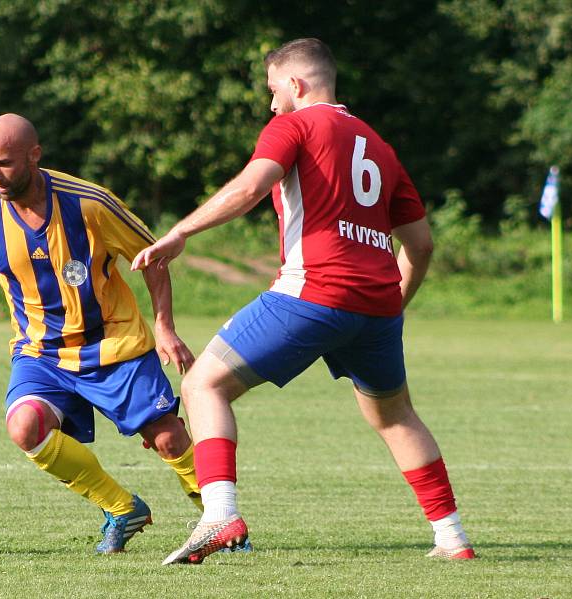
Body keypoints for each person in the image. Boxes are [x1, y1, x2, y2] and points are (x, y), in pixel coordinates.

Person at [131, 38, 475, 565]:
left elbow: (250, 188)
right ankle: (452, 538)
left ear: (295, 85)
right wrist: (393, 302)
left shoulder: (293, 126)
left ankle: (220, 512)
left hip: (313, 291)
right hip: (376, 306)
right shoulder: (379, 147)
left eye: (273, 91)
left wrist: (181, 233)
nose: (271, 105)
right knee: (397, 416)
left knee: (203, 384)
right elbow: (421, 245)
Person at [0, 113, 202, 555]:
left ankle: (221, 519)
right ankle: (122, 509)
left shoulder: (90, 204)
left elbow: (153, 257)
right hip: (41, 352)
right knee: (25, 427)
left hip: (112, 343)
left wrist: (164, 327)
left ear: (35, 155)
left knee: (167, 437)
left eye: (4, 163)